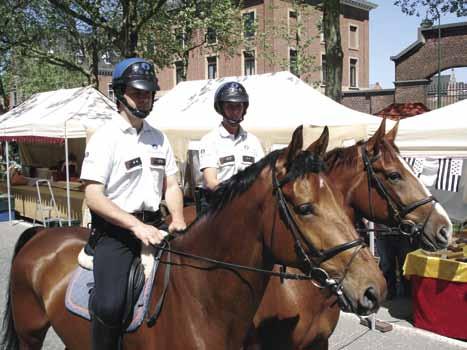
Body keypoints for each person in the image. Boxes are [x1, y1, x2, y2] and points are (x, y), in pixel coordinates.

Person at [80, 57, 186, 350]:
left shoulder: (159, 138)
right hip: (115, 232)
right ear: (119, 92)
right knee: (110, 303)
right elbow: (93, 196)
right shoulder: (105, 138)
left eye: (148, 92)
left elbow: (173, 184)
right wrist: (135, 226)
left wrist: (177, 215)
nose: (144, 98)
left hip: (156, 225)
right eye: (137, 91)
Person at [198, 81, 264, 213]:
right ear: (221, 109)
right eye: (230, 107)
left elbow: (261, 176)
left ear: (244, 109)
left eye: (238, 106)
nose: (235, 111)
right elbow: (211, 181)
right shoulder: (209, 140)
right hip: (218, 208)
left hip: (248, 206)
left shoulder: (253, 141)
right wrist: (238, 195)